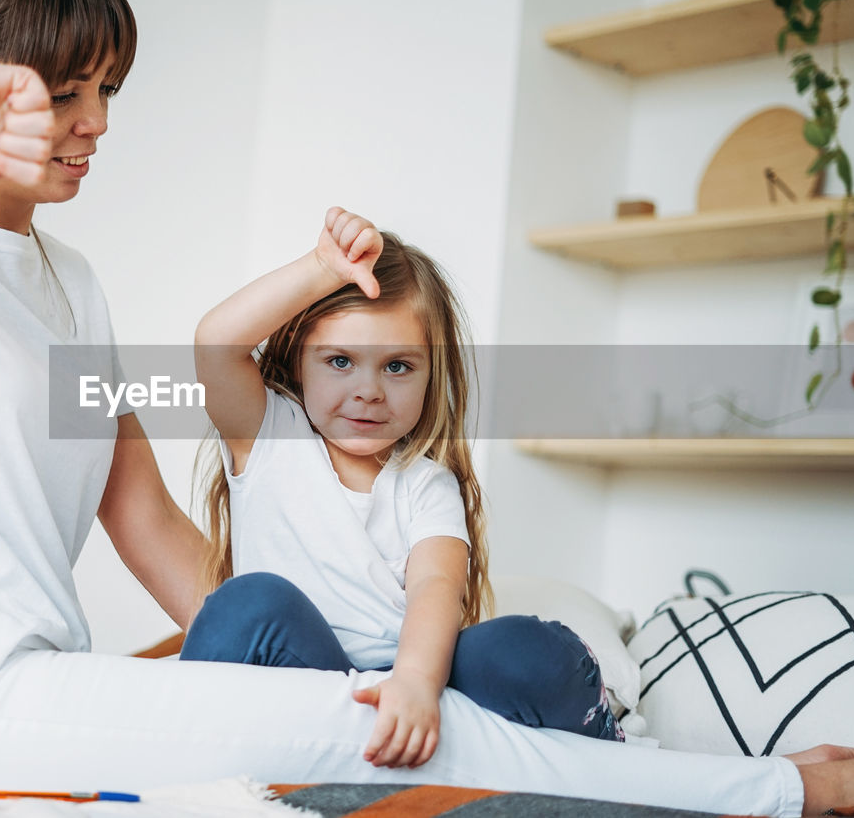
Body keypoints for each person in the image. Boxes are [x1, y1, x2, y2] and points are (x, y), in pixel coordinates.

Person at [0, 0, 854, 815]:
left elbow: (144, 516)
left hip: (34, 678)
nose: (96, 122)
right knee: (396, 734)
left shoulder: (72, 280)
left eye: (107, 89)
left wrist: (284, 664)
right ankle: (786, 789)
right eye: (64, 93)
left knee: (362, 715)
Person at [182, 209, 622, 772]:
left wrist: (414, 682)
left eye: (397, 366)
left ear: (431, 376)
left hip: (410, 673)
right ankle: (183, 774)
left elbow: (437, 584)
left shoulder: (425, 482)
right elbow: (214, 341)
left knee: (524, 648)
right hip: (312, 678)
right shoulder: (270, 435)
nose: (368, 391)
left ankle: (610, 745)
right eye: (340, 361)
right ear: (299, 361)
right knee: (248, 604)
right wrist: (321, 267)